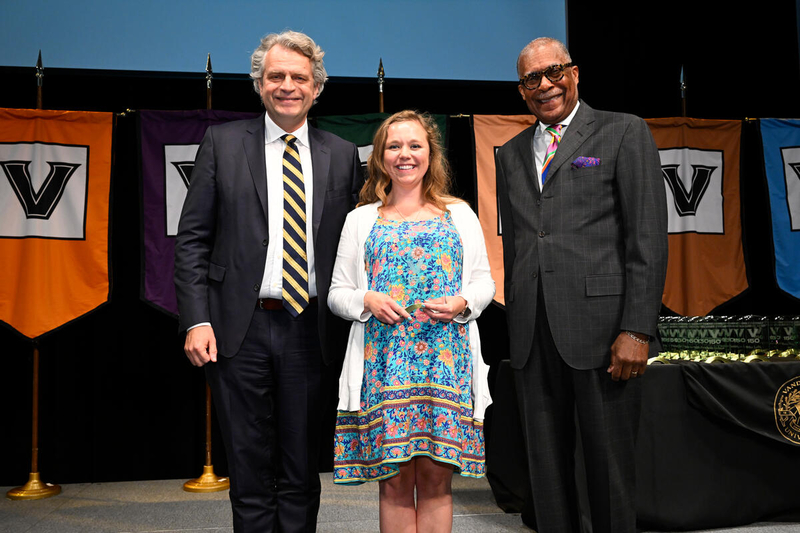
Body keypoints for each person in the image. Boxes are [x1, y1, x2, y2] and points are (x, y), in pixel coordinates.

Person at [174, 30, 362, 533]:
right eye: (275, 76)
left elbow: (358, 244)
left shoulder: (341, 154)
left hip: (311, 330)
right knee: (250, 467)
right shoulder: (222, 142)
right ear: (259, 83)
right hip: (239, 331)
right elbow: (191, 240)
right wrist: (196, 319)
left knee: (302, 467)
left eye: (299, 77)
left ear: (317, 87)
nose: (287, 86)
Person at [495, 37, 668, 533]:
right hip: (532, 333)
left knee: (609, 472)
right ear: (521, 89)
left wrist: (637, 328)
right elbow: (521, 245)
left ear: (575, 72)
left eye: (554, 72)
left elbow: (648, 237)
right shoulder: (509, 153)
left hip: (604, 332)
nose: (545, 85)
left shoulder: (622, 132)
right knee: (545, 473)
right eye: (532, 79)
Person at [327, 110, 495, 532]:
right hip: (384, 366)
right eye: (394, 146)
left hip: (446, 364)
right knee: (395, 482)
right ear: (381, 157)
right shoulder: (361, 219)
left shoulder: (460, 214)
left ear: (430, 153)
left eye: (415, 145)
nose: (405, 154)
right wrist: (366, 298)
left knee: (438, 482)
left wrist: (461, 302)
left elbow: (484, 283)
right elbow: (336, 294)